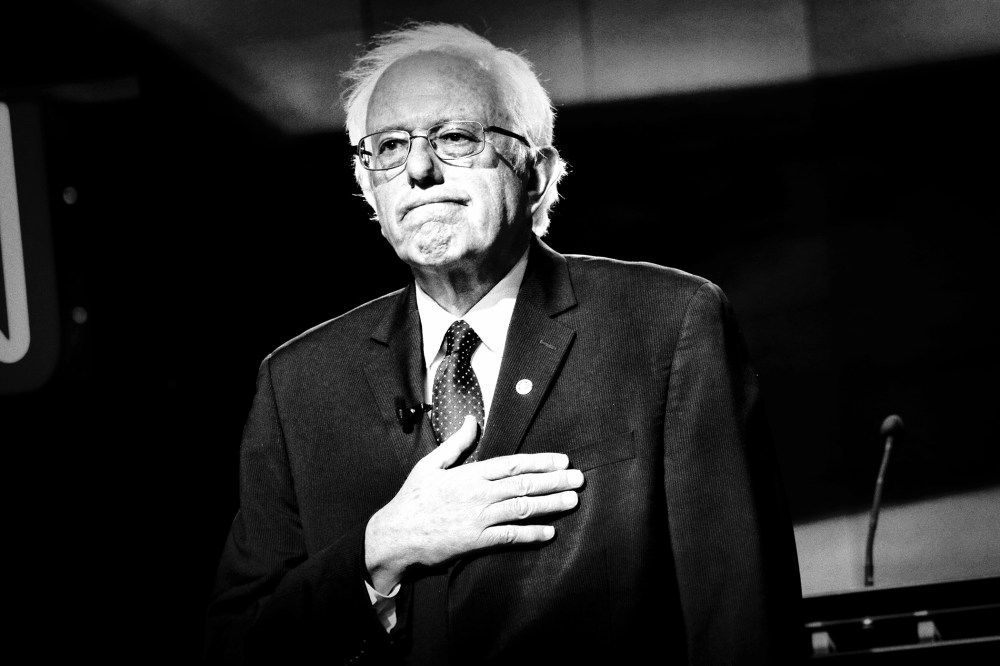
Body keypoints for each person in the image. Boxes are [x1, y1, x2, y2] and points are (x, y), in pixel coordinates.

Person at [206, 22, 802, 665]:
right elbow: (235, 650)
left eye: (456, 138)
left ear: (536, 173)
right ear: (370, 189)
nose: (419, 169)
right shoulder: (298, 381)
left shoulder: (667, 324)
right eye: (389, 147)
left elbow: (741, 621)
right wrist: (378, 549)